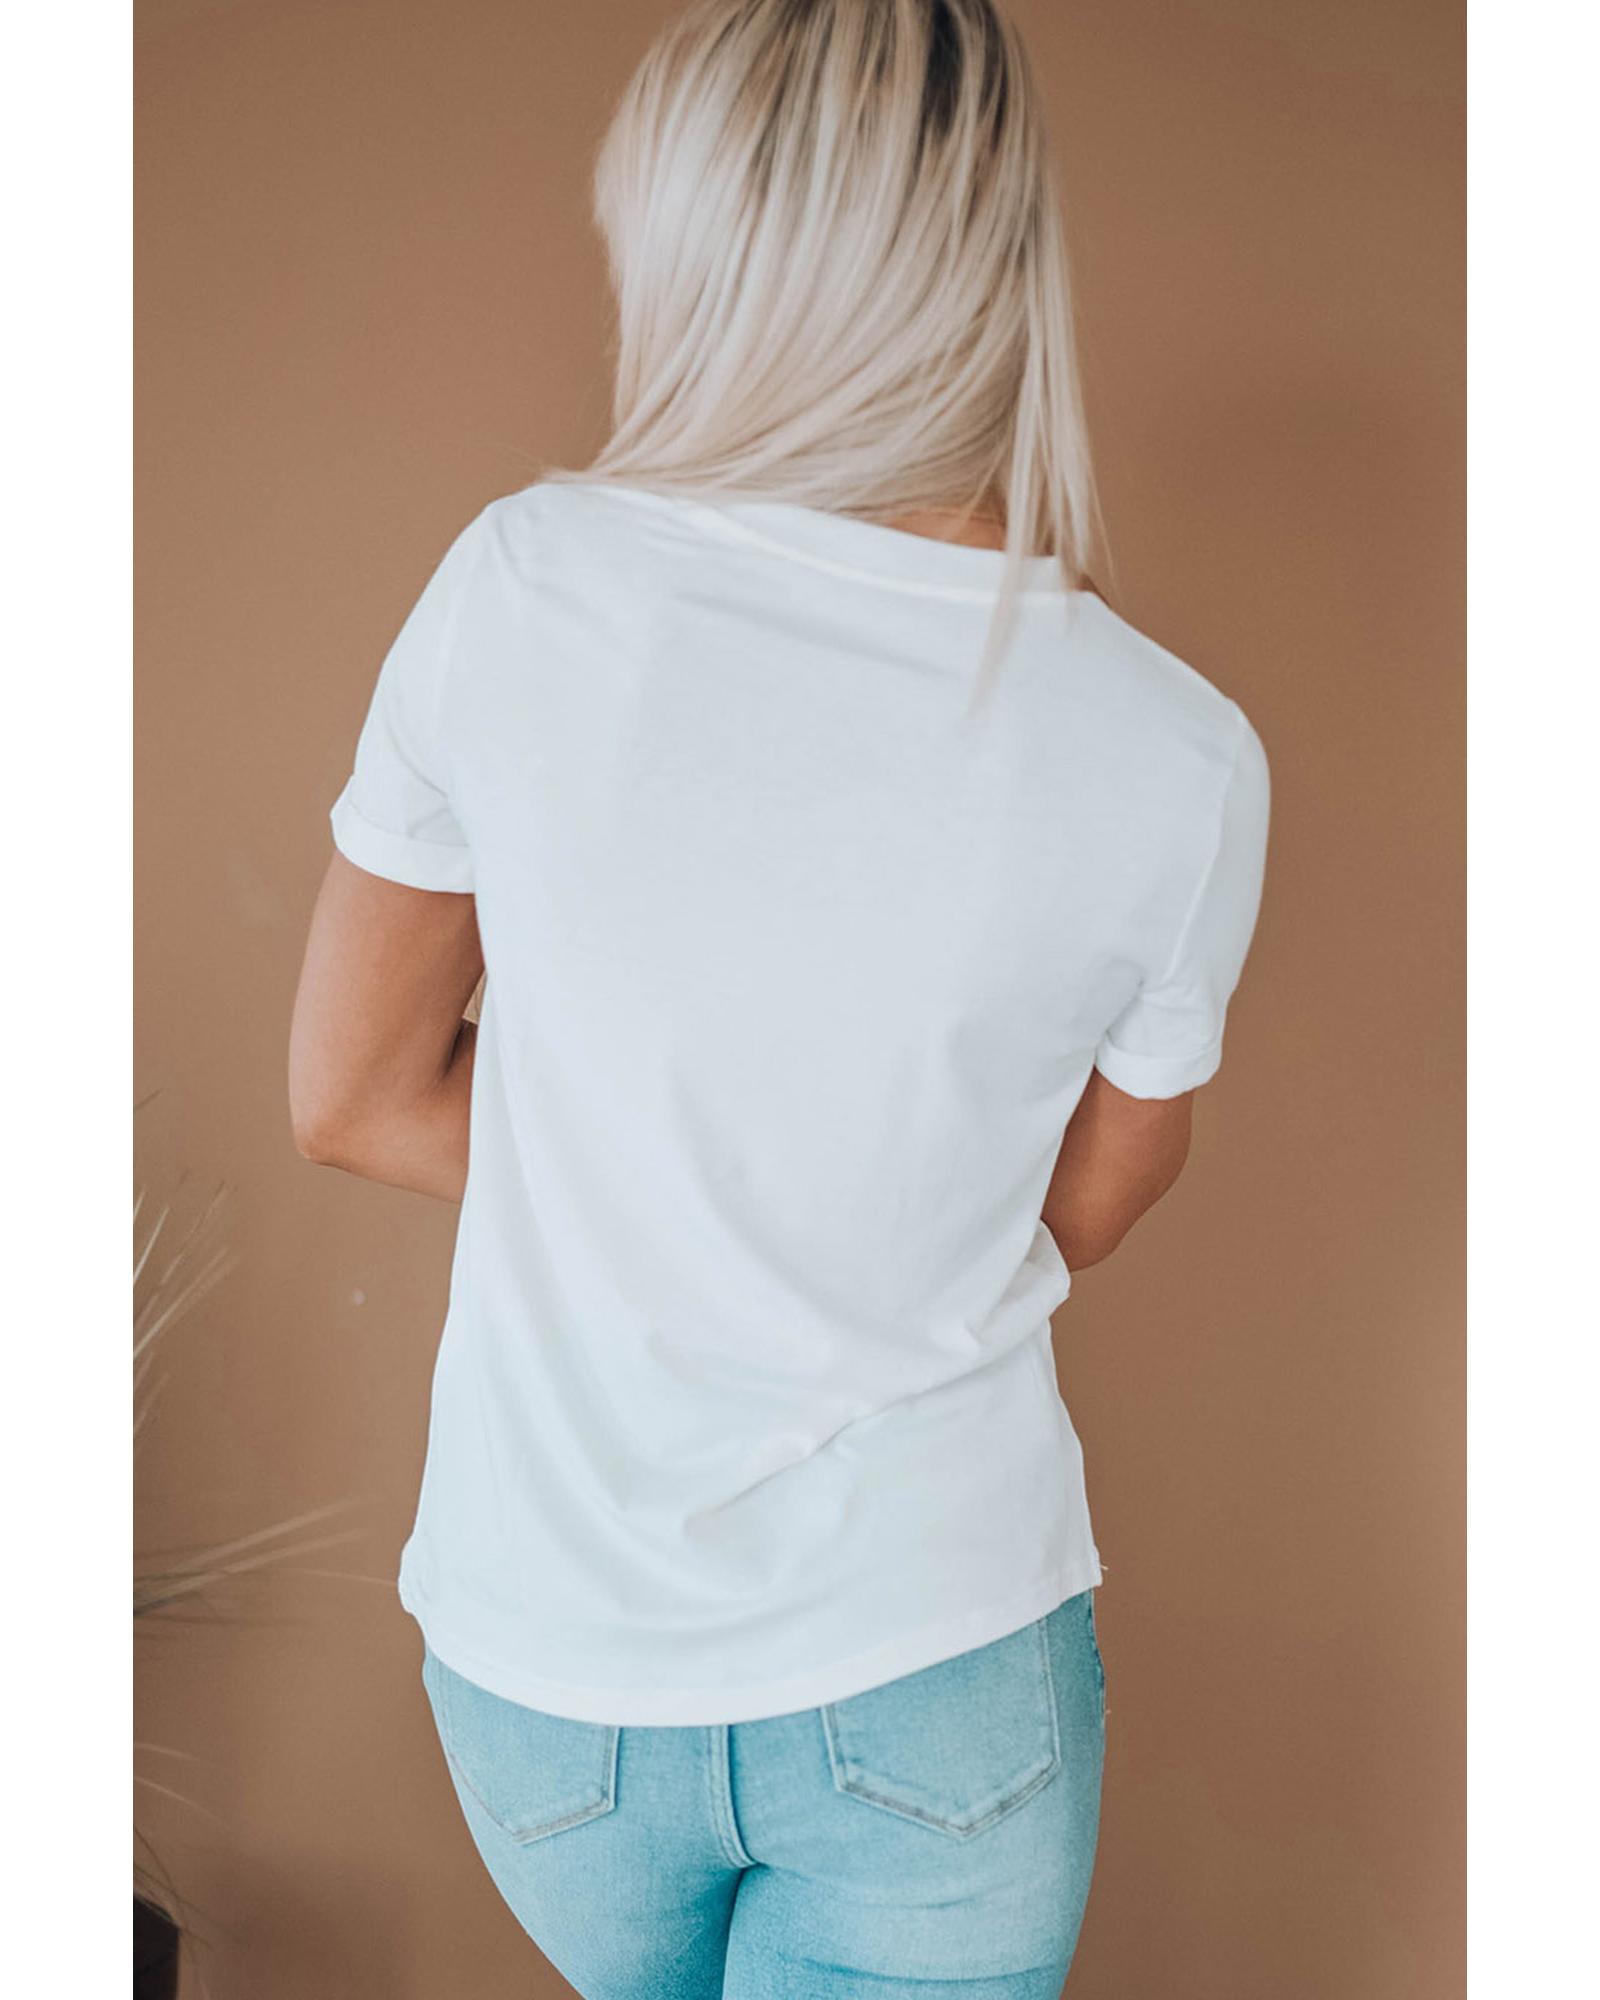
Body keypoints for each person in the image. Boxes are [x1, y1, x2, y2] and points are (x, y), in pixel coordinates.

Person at [287, 2, 1270, 1993]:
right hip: (934, 1671)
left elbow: (354, 1097)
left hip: (553, 1677)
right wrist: (836, 1214)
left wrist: (647, 1191)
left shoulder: (521, 590)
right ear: (993, 264)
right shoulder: (1175, 753)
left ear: (698, 253)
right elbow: (1095, 1198)